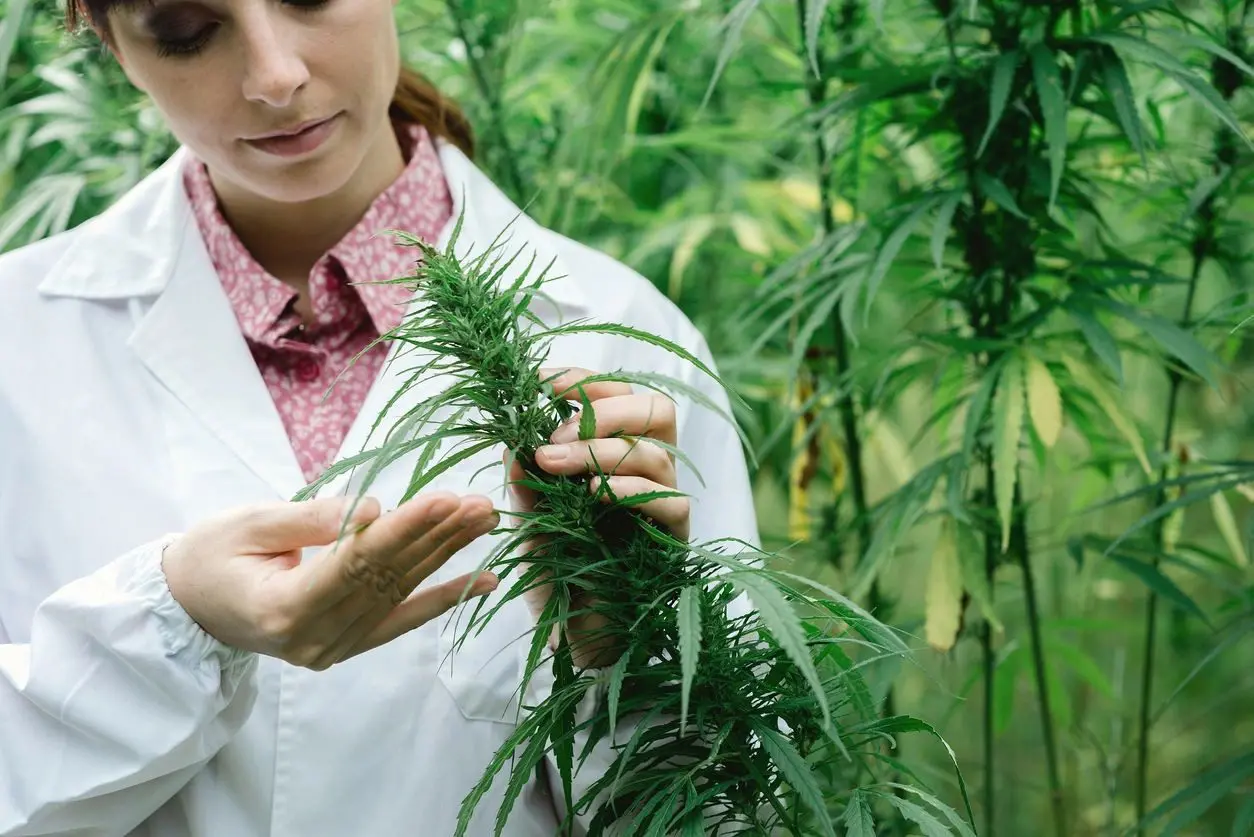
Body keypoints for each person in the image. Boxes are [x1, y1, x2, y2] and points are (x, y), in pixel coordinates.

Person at [0, 1, 758, 835]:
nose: (276, 74)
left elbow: (725, 806)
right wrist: (175, 620)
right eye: (186, 27)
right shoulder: (21, 343)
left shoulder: (629, 345)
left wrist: (619, 654)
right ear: (110, 41)